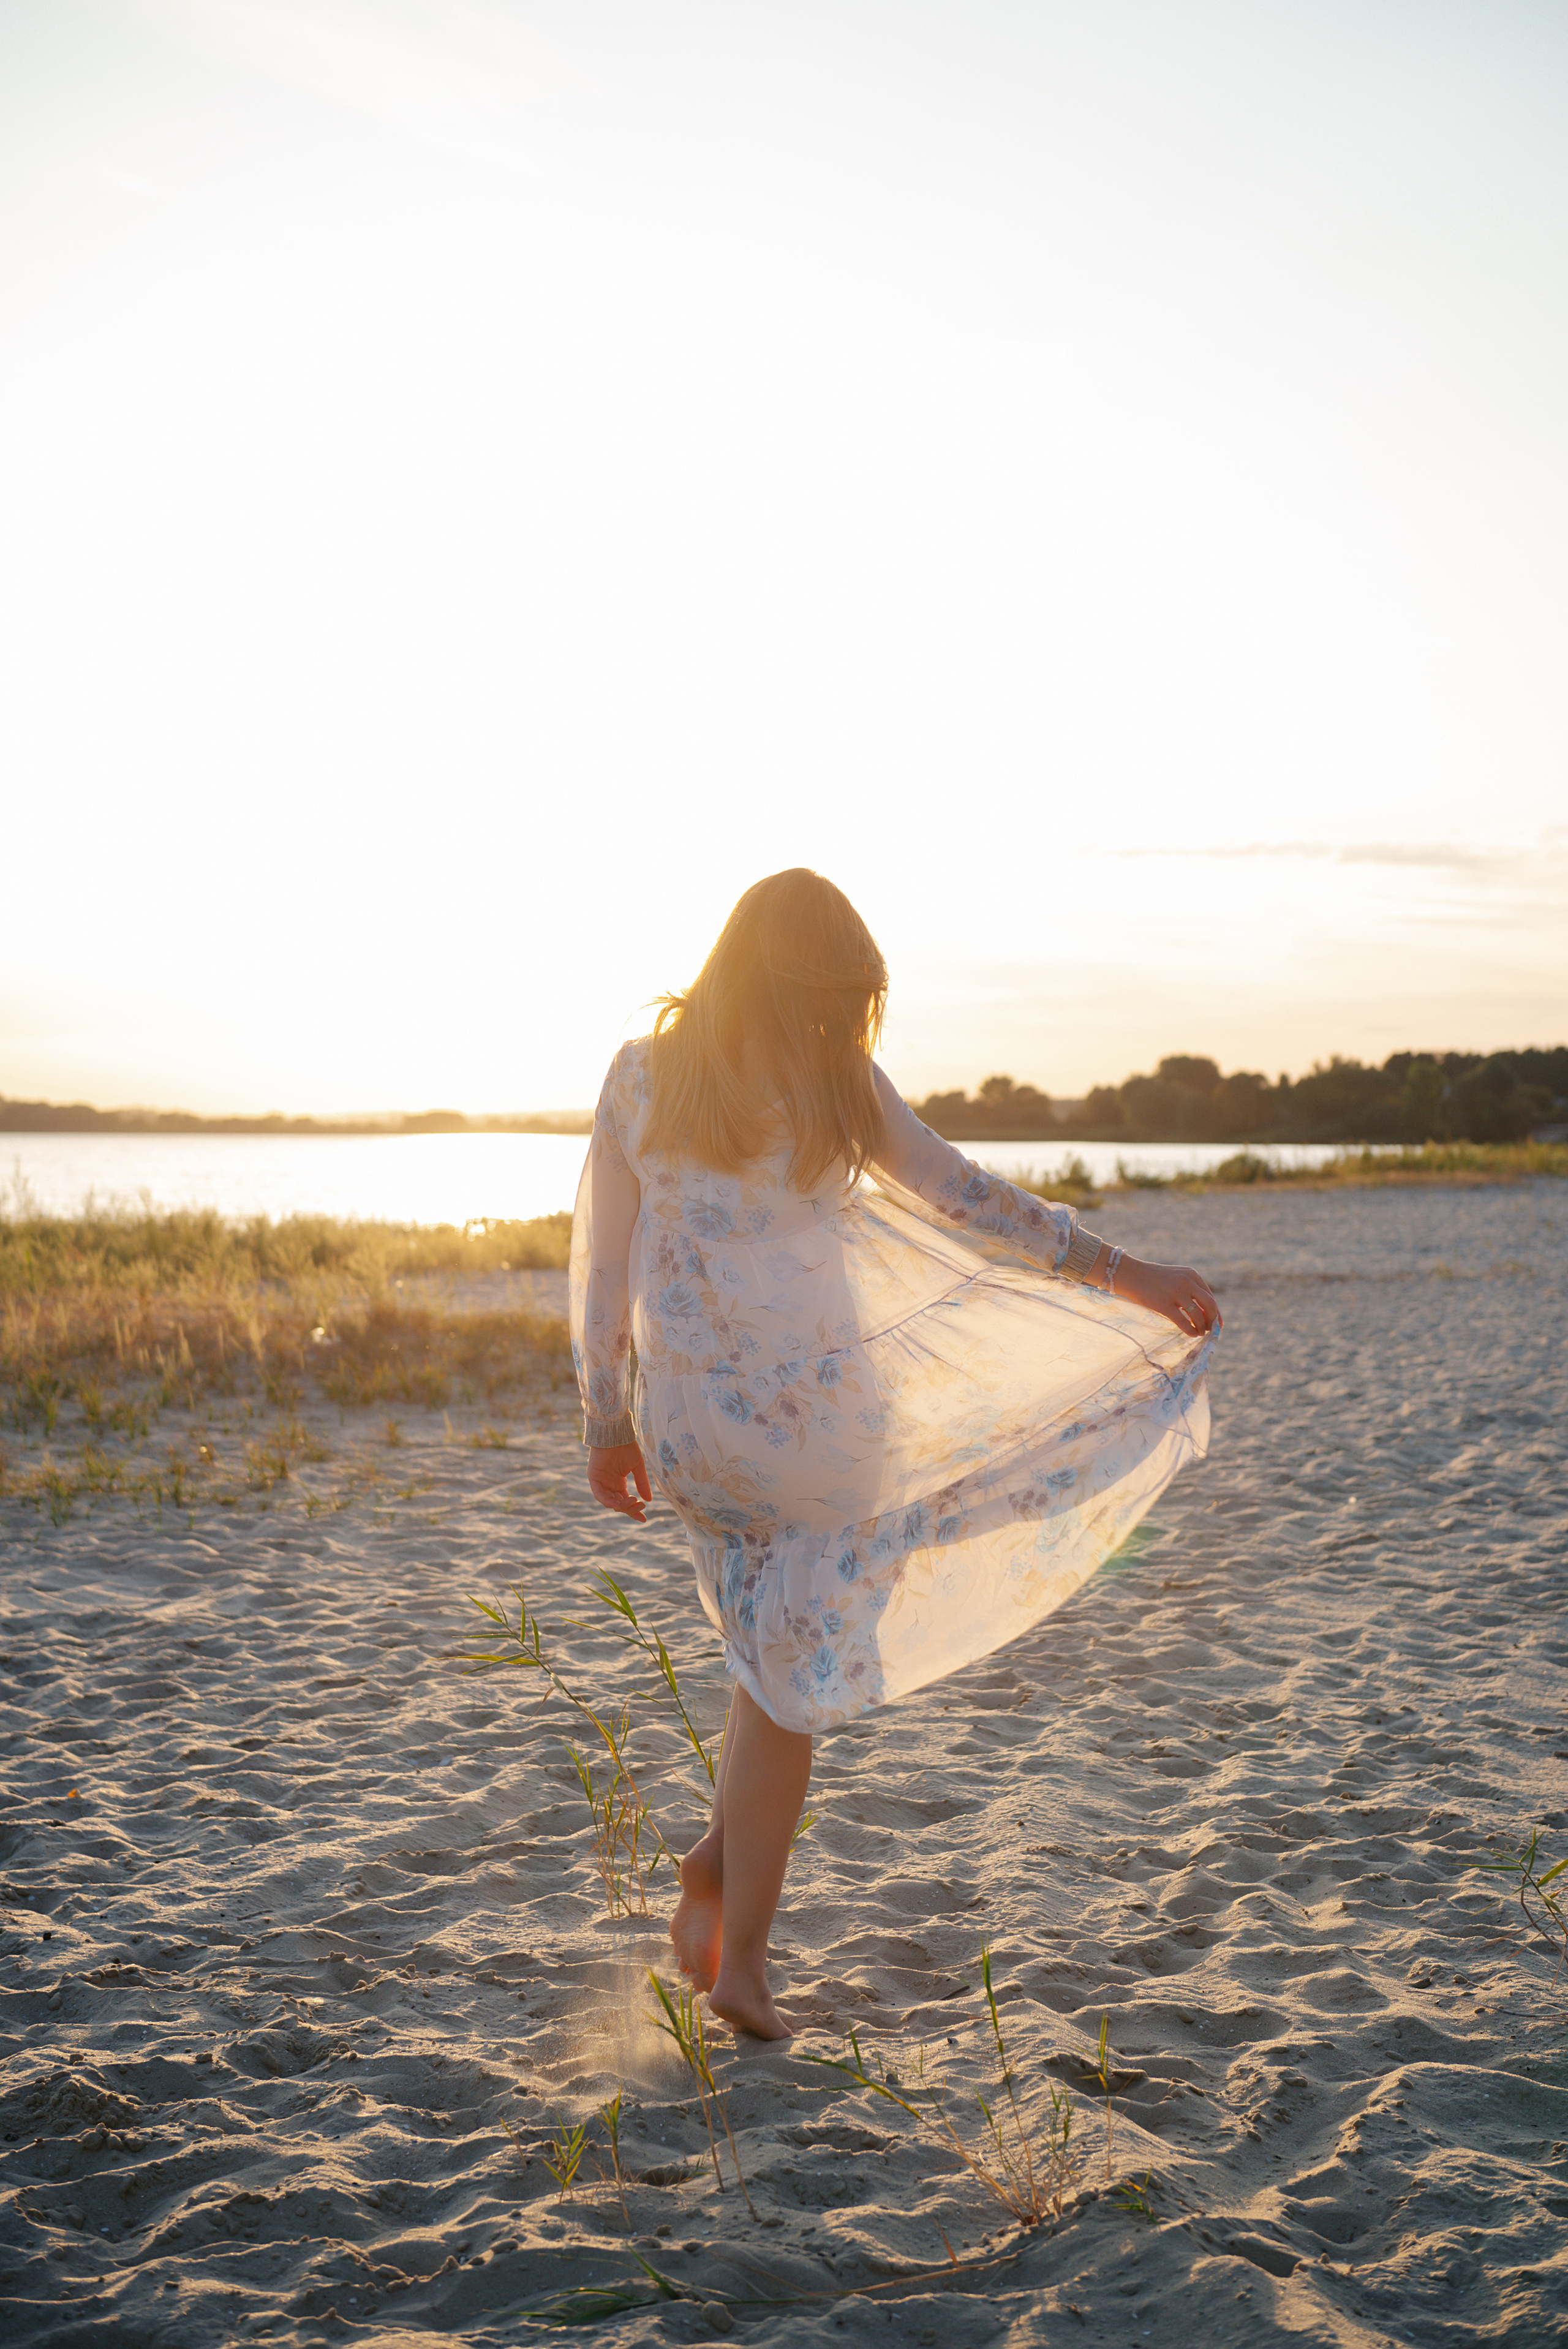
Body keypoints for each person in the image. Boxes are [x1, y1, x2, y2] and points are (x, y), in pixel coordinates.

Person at [571, 869, 1219, 2039]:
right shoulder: (833, 1081)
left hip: (693, 1427)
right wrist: (1137, 1279)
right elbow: (973, 1201)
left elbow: (604, 1271)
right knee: (796, 1677)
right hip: (821, 1422)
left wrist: (605, 1420)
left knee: (774, 1650)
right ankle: (741, 1964)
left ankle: (717, 1869)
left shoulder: (642, 1075)